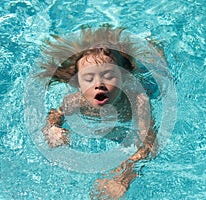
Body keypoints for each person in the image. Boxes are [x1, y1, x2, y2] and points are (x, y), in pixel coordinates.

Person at [37, 24, 165, 199]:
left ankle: (154, 44)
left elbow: (149, 142)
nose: (98, 84)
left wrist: (123, 176)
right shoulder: (77, 101)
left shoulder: (138, 100)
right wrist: (53, 128)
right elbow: (56, 115)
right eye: (88, 78)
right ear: (77, 83)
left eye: (109, 75)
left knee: (159, 72)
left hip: (149, 85)